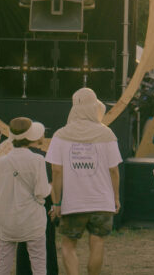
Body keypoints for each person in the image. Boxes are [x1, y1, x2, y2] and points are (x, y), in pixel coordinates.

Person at [46, 88, 122, 275]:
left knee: (68, 245)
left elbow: (56, 171)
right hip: (102, 201)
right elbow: (114, 170)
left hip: (73, 202)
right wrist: (115, 197)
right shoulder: (107, 134)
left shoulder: (60, 135)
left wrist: (57, 202)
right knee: (97, 243)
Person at [0, 121, 51, 275]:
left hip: (6, 219)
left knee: (3, 263)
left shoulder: (1, 162)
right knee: (38, 265)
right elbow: (42, 192)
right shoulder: (38, 160)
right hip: (32, 219)